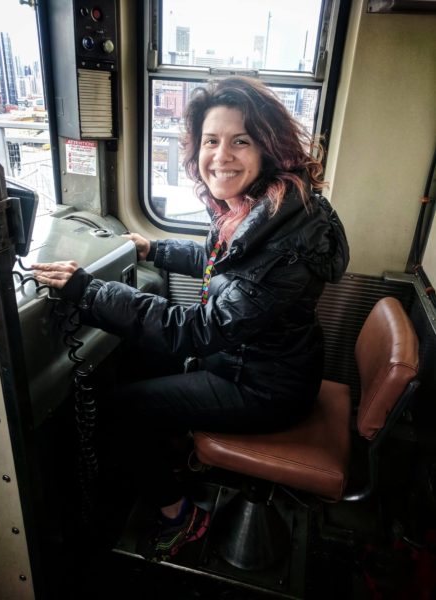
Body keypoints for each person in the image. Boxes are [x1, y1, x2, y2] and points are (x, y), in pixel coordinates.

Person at [32, 76, 349, 560]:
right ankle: (172, 463)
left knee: (123, 409)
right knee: (142, 360)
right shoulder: (264, 212)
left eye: (240, 141)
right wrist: (154, 248)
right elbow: (222, 260)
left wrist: (88, 291)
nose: (221, 156)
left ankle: (181, 517)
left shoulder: (285, 243)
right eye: (211, 141)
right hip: (257, 365)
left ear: (268, 147)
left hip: (263, 388)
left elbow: (197, 331)